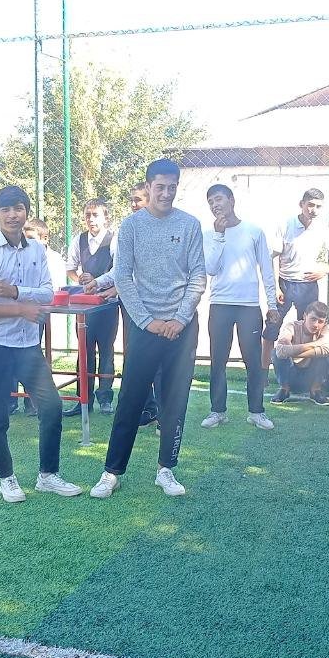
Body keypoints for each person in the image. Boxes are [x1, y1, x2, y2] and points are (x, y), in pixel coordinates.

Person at [92, 159, 206, 499]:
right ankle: (111, 472)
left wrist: (179, 319)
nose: (166, 193)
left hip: (181, 328)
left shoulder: (190, 225)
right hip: (144, 325)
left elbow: (198, 276)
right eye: (160, 187)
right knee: (131, 397)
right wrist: (147, 321)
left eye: (172, 187)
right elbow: (123, 277)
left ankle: (166, 469)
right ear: (148, 187)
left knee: (175, 400)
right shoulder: (131, 226)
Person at [0, 185, 81, 503]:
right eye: (5, 209)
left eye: (18, 208)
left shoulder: (36, 251)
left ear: (27, 213)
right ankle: (6, 479)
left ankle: (48, 475)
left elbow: (47, 293)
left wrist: (15, 292)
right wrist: (19, 309)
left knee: (52, 407)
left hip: (27, 345)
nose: (12, 215)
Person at [202, 184, 279, 430]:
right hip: (220, 304)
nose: (215, 205)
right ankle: (218, 411)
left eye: (218, 199)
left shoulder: (254, 231)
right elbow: (211, 268)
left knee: (253, 361)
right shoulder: (209, 234)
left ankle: (256, 412)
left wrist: (272, 304)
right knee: (218, 360)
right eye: (210, 202)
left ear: (231, 200)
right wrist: (219, 235)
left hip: (248, 306)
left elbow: (266, 269)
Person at [87, 183, 161, 427]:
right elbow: (121, 270)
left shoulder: (163, 228)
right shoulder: (127, 229)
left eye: (138, 199)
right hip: (131, 306)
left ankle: (162, 411)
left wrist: (115, 287)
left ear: (150, 199)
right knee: (135, 356)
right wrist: (98, 282)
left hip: (156, 305)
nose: (133, 204)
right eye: (132, 199)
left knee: (158, 358)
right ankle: (147, 408)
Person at [263, 188, 329, 372]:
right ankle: (263, 372)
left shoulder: (321, 228)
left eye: (318, 206)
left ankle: (305, 372)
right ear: (302, 204)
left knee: (310, 329)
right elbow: (273, 257)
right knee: (272, 327)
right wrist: (276, 287)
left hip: (308, 286)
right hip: (285, 284)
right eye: (310, 205)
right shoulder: (286, 225)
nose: (313, 210)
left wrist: (325, 271)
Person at [65, 198, 118, 415]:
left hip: (107, 304)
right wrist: (79, 279)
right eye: (87, 215)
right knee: (84, 351)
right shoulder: (79, 240)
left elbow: (118, 270)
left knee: (106, 350)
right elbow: (70, 268)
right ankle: (83, 399)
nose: (91, 219)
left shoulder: (114, 239)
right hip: (85, 306)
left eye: (95, 215)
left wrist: (97, 281)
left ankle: (105, 398)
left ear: (106, 218)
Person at [271, 302, 329, 404]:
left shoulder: (325, 329)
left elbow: (328, 350)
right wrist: (316, 344)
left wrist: (293, 353)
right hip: (291, 374)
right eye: (313, 319)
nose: (316, 325)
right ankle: (284, 389)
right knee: (275, 353)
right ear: (305, 316)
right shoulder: (291, 326)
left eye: (320, 321)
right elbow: (280, 351)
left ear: (325, 322)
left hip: (311, 378)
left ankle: (315, 390)